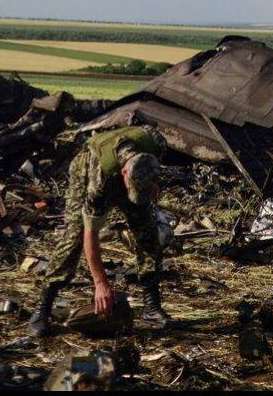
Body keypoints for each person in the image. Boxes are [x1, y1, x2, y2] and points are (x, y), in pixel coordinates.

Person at [29, 125, 169, 336]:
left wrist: (153, 184)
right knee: (74, 237)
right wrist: (101, 283)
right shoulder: (99, 182)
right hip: (86, 169)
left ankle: (152, 306)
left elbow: (150, 167)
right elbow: (90, 233)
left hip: (132, 173)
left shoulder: (155, 143)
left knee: (147, 231)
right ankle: (43, 308)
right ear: (124, 173)